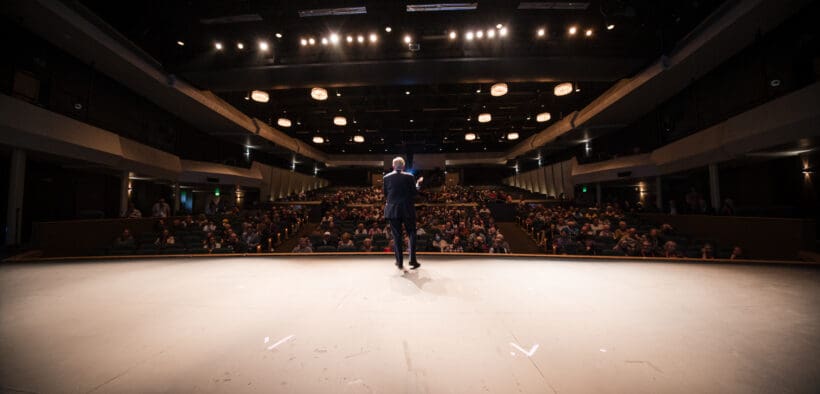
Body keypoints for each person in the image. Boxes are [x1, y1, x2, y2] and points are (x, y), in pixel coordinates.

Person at [383, 157, 423, 270]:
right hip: (407, 209)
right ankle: (412, 260)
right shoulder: (409, 176)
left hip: (393, 209)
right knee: (411, 233)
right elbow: (414, 193)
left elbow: (386, 194)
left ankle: (399, 262)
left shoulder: (386, 177)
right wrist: (418, 184)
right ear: (404, 166)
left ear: (393, 165)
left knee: (397, 236)